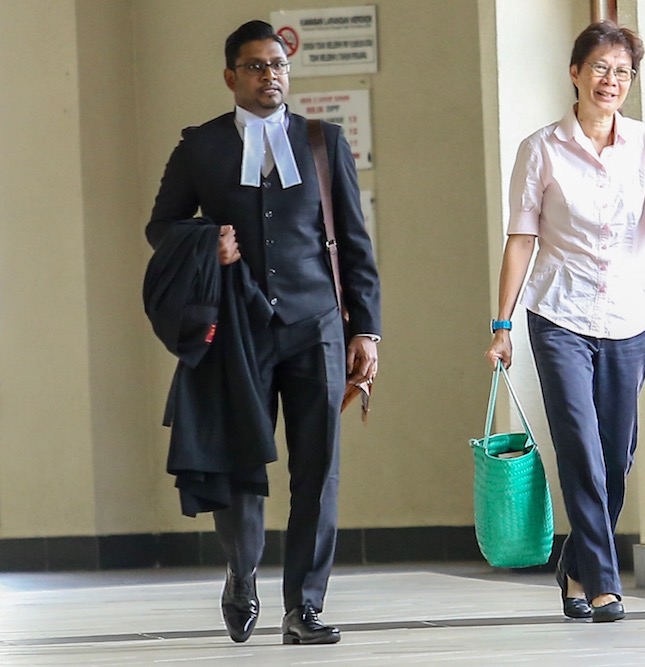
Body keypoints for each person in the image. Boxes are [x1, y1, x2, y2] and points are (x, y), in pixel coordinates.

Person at [145, 20, 381, 645]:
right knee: (241, 461)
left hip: (317, 326)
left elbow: (354, 243)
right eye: (255, 66)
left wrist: (368, 331)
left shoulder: (324, 142)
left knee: (318, 469)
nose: (269, 75)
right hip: (239, 329)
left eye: (277, 65)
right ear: (231, 77)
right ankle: (242, 572)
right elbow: (160, 226)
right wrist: (206, 242)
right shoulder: (200, 146)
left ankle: (304, 608)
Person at [485, 20, 645, 624]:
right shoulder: (541, 148)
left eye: (623, 73)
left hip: (630, 316)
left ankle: (578, 567)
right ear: (575, 73)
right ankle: (607, 585)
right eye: (601, 68)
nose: (611, 81)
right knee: (581, 448)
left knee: (617, 453)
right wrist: (501, 324)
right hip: (559, 314)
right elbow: (521, 238)